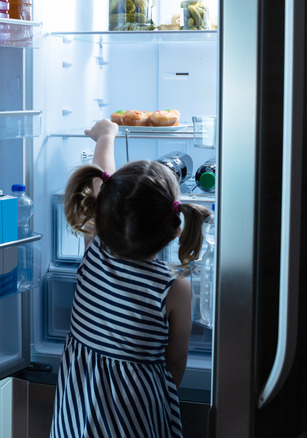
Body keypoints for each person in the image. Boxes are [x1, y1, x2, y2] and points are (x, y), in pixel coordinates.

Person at [50, 119, 210, 438]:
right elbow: (176, 359)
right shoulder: (174, 286)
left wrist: (106, 136)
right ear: (176, 228)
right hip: (135, 415)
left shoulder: (95, 246)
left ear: (103, 213)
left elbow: (101, 179)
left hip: (77, 411)